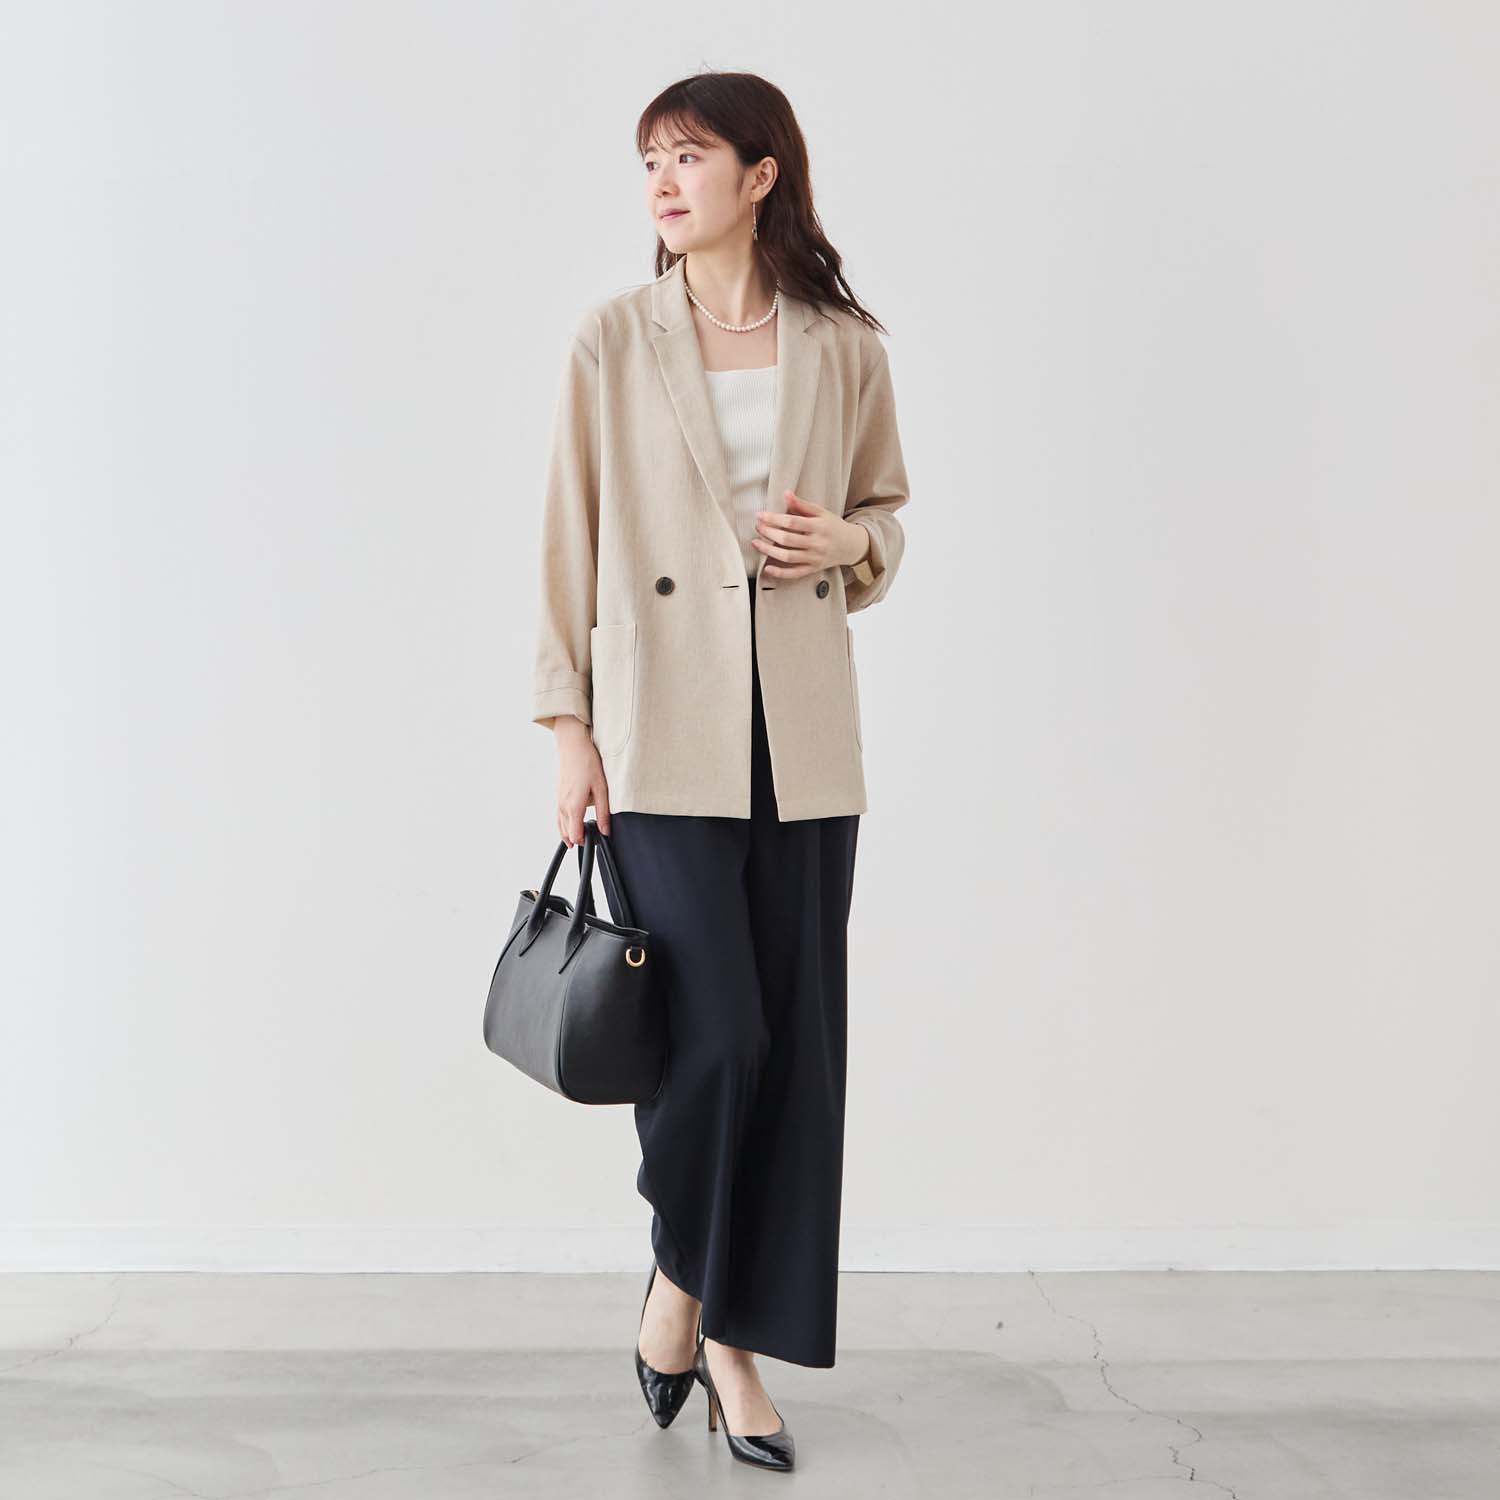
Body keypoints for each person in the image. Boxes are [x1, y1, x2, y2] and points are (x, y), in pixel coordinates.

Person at [529, 69, 910, 1472]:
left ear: (762, 176)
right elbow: (566, 536)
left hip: (801, 743)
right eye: (650, 161)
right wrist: (567, 726)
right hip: (661, 732)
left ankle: (723, 1336)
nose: (662, 183)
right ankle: (690, 1295)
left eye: (689, 158)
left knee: (792, 1056)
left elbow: (884, 515)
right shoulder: (612, 340)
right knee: (716, 1039)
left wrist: (848, 547)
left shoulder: (842, 344)